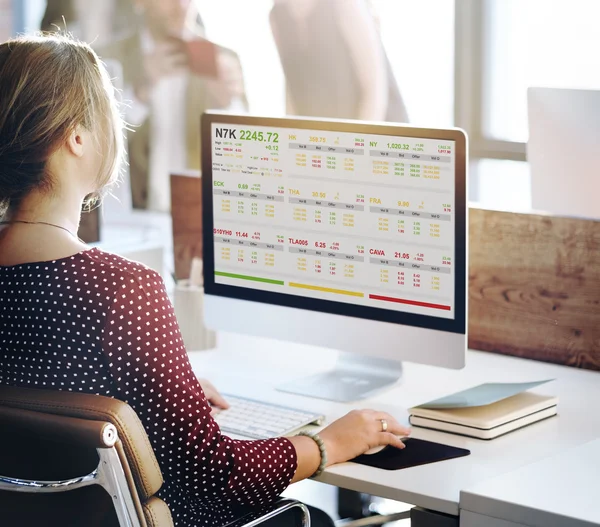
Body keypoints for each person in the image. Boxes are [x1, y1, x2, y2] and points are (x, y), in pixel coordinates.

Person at [0, 34, 411, 527]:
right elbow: (214, 476)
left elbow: (41, 386)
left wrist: (160, 387)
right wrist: (328, 444)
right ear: (77, 137)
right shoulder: (122, 292)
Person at [99, 0, 248, 212]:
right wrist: (140, 91)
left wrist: (226, 104)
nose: (181, 5)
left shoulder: (223, 59)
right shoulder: (108, 58)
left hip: (200, 212)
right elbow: (98, 146)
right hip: (132, 215)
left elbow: (244, 155)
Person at [270, 0, 408, 123]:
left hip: (378, 127)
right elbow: (293, 86)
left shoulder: (344, 4)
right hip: (331, 136)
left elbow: (375, 90)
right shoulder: (277, 17)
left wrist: (354, 144)